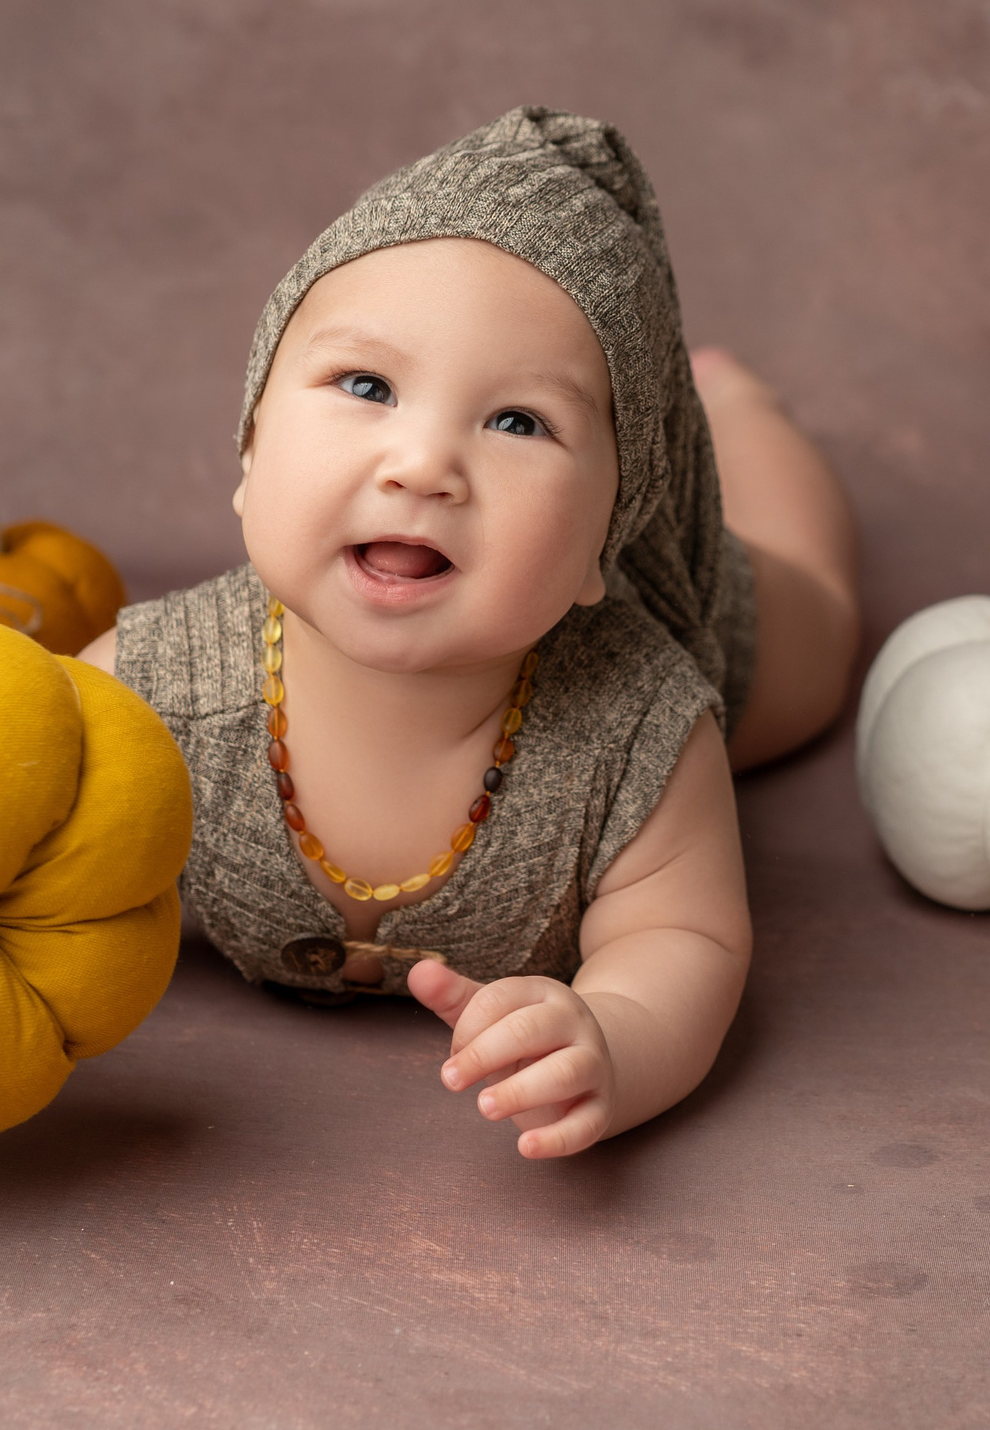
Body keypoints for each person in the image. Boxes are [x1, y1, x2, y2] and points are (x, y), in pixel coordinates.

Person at [77, 107, 857, 1159]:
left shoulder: (645, 732)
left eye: (518, 422)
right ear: (252, 451)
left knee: (818, 610)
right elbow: (17, 824)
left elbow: (686, 936)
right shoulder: (149, 687)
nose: (422, 464)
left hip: (732, 623)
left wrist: (618, 1035)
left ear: (601, 544)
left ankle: (742, 411)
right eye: (367, 386)